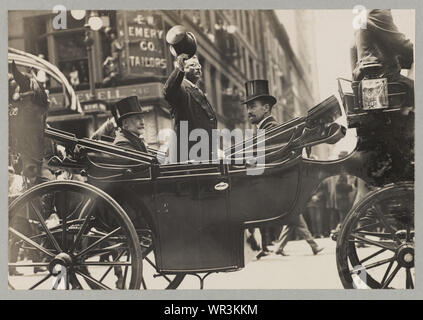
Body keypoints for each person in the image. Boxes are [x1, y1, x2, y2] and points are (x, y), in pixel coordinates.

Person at [242, 79, 278, 259]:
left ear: (266, 108)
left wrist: (248, 162)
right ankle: (259, 243)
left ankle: (253, 241)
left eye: (253, 106)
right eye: (248, 107)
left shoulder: (270, 129)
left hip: (267, 183)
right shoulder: (263, 128)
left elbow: (267, 159)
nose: (249, 111)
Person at [350, 9, 414, 107]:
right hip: (385, 85)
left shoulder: (363, 13)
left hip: (365, 86)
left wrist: (355, 84)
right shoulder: (378, 11)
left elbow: (353, 48)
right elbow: (402, 45)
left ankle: (408, 113)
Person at [163, 54, 217, 161]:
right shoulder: (181, 89)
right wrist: (179, 69)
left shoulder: (198, 91)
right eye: (192, 65)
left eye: (199, 65)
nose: (198, 68)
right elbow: (168, 91)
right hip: (187, 155)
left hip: (202, 154)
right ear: (183, 69)